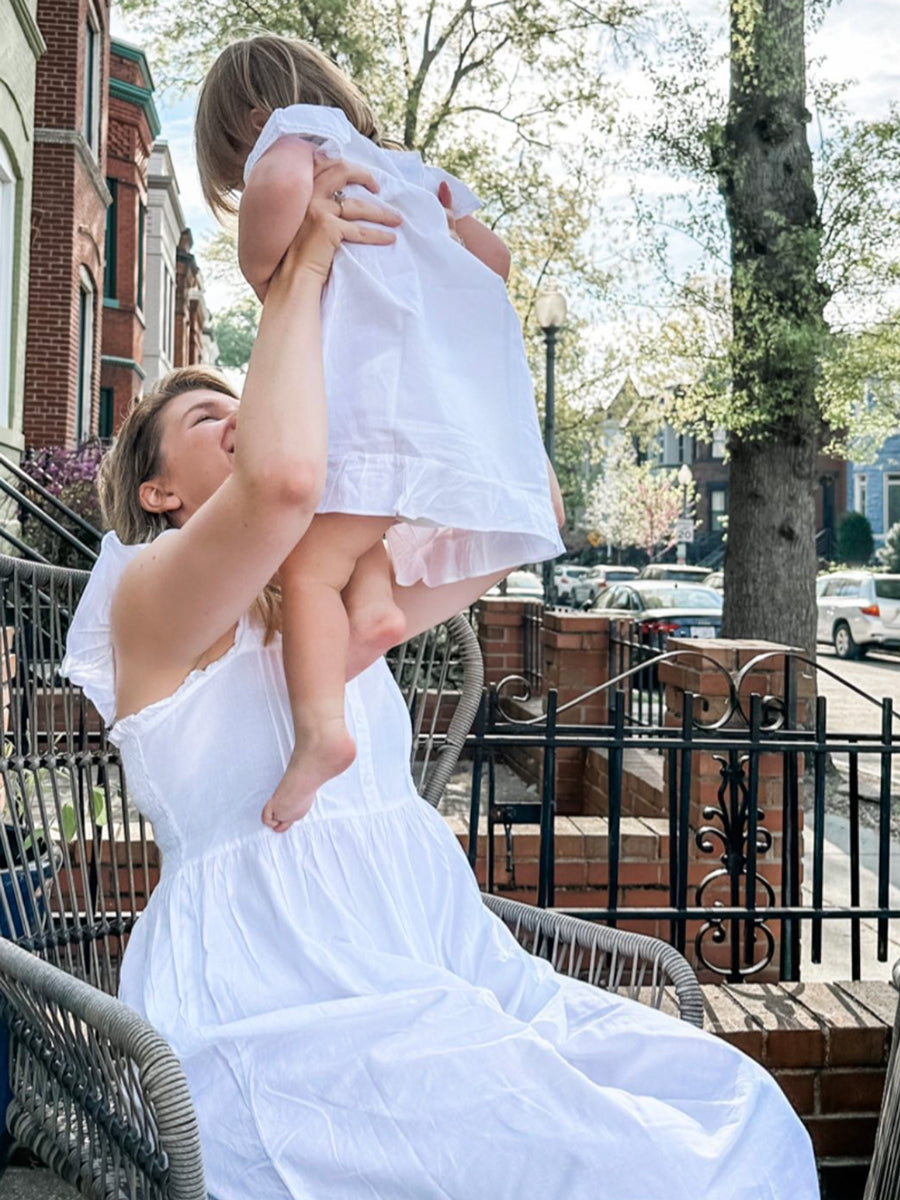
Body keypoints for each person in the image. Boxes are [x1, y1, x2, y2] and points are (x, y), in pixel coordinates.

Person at [63, 157, 819, 1200]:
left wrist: (468, 309)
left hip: (440, 962)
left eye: (248, 394)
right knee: (609, 1168)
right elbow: (286, 476)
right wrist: (305, 266)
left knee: (733, 1119)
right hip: (278, 1007)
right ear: (156, 487)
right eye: (206, 416)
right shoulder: (147, 603)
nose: (246, 410)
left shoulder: (325, 612)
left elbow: (518, 512)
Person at [193, 34, 565, 828]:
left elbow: (283, 185)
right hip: (449, 410)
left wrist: (268, 269)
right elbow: (495, 260)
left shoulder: (295, 148)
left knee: (308, 569)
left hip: (376, 406)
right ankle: (374, 614)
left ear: (243, 128)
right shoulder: (414, 172)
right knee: (357, 543)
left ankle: (320, 734)